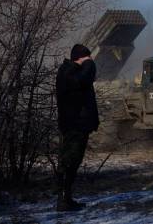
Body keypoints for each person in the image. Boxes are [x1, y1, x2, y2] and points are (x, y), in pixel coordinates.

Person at [54, 43, 99, 212]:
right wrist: (88, 64)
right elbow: (81, 81)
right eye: (86, 58)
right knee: (68, 162)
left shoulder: (73, 72)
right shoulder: (67, 72)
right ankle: (62, 201)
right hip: (73, 125)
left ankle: (67, 198)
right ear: (79, 58)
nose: (90, 61)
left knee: (73, 162)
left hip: (79, 125)